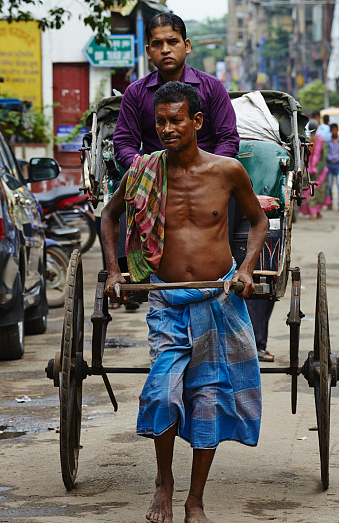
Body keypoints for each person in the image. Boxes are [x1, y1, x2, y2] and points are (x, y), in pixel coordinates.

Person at [101, 82, 268, 523]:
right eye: (161, 122)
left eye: (177, 120)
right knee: (161, 392)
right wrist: (115, 271)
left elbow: (258, 219)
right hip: (167, 300)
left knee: (209, 400)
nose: (169, 129)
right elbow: (109, 216)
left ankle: (195, 499)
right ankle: (163, 480)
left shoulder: (228, 170)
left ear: (196, 122)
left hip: (218, 300)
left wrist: (247, 268)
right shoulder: (144, 172)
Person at [111, 13, 239, 311]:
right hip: (155, 180)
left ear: (187, 45)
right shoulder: (136, 93)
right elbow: (124, 143)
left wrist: (210, 172)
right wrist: (145, 171)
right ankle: (130, 274)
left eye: (172, 42)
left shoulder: (211, 88)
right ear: (148, 51)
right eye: (158, 44)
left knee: (230, 197)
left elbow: (228, 138)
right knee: (123, 196)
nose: (165, 49)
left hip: (206, 176)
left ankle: (228, 268)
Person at [300, 129, 331, 218]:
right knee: (314, 192)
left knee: (313, 192)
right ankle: (314, 212)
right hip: (313, 171)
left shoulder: (314, 140)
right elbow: (324, 156)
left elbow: (323, 156)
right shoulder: (313, 140)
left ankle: (314, 213)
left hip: (314, 171)